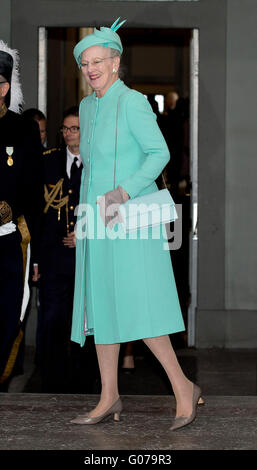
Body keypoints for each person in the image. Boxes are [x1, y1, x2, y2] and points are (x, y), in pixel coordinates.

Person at [70, 19, 204, 431]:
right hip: (99, 222)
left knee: (140, 308)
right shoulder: (88, 107)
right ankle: (109, 395)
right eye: (85, 63)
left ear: (115, 62)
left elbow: (158, 153)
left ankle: (183, 387)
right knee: (103, 306)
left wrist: (123, 192)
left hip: (131, 220)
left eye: (98, 61)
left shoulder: (133, 102)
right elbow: (89, 171)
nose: (91, 68)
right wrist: (85, 218)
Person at [0, 40, 43, 390]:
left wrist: (12, 208)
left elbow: (33, 190)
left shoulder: (23, 129)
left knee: (7, 317)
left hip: (9, 239)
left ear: (5, 87)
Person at [36, 106, 84, 392]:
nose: (68, 134)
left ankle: (84, 379)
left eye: (74, 128)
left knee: (85, 322)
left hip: (87, 256)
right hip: (54, 257)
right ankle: (52, 380)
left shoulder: (99, 163)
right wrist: (38, 260)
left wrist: (85, 234)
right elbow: (40, 214)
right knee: (54, 318)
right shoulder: (48, 162)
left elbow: (110, 206)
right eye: (65, 129)